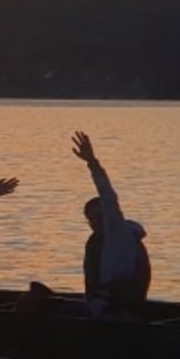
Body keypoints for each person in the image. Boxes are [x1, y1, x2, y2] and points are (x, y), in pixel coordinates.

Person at [70, 132, 150, 310]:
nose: (95, 222)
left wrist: (92, 162)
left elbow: (108, 195)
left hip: (114, 312)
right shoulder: (97, 241)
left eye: (99, 216)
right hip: (100, 307)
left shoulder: (118, 234)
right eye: (91, 219)